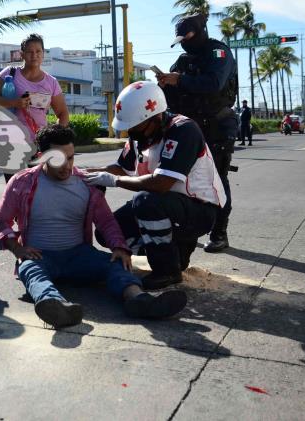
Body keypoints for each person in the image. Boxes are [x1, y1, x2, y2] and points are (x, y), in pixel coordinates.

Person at [0, 124, 187, 329]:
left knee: (115, 264)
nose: (67, 166)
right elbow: (0, 220)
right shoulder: (21, 182)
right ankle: (56, 307)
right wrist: (17, 248)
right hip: (41, 256)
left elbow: (106, 221)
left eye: (71, 157)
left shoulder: (87, 183)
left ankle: (139, 301)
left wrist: (119, 247)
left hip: (79, 255)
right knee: (29, 269)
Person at [84, 81, 226, 289]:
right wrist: (90, 174)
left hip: (198, 210)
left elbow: (161, 184)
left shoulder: (183, 130)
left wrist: (114, 181)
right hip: (165, 206)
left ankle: (167, 271)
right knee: (108, 232)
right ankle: (171, 253)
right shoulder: (141, 136)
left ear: (155, 116)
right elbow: (121, 168)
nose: (131, 132)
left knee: (145, 201)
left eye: (136, 127)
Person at [156, 13, 237, 253]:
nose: (184, 43)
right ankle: (189, 228)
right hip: (190, 128)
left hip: (217, 126)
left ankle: (219, 233)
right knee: (183, 179)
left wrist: (179, 81)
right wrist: (164, 84)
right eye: (180, 39)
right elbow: (171, 94)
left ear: (199, 32)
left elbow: (214, 83)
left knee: (217, 180)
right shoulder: (182, 61)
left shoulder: (218, 53)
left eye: (187, 37)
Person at [0, 33, 70, 181]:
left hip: (37, 145)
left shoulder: (51, 83)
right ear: (22, 54)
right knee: (14, 188)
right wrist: (14, 103)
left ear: (43, 54)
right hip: (9, 144)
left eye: (38, 51)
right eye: (30, 51)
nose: (34, 55)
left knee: (39, 187)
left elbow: (62, 114)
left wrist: (53, 140)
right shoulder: (10, 73)